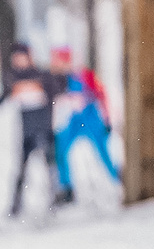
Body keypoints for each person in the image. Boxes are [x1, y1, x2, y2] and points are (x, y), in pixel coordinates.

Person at [0, 42, 67, 216]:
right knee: (22, 169)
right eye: (16, 58)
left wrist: (59, 73)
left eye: (22, 57)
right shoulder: (12, 78)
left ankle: (54, 200)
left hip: (45, 129)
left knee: (50, 167)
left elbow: (59, 89)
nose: (19, 61)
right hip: (27, 132)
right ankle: (16, 205)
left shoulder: (42, 75)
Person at [49, 45, 120, 186]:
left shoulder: (85, 76)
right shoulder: (56, 79)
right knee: (61, 151)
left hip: (91, 118)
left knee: (103, 151)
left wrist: (107, 120)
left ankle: (117, 179)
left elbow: (101, 95)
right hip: (72, 121)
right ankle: (66, 187)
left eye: (60, 61)